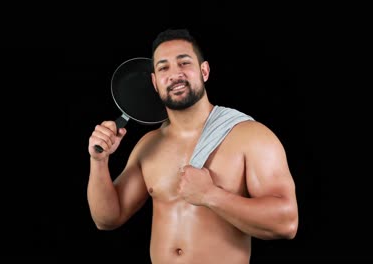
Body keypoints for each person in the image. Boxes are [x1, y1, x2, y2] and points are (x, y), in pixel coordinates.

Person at [87, 28, 298, 263]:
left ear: (204, 71)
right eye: (163, 67)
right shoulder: (150, 145)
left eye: (184, 63)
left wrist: (211, 195)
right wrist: (99, 161)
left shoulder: (250, 136)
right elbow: (106, 219)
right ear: (155, 82)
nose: (175, 74)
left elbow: (286, 223)